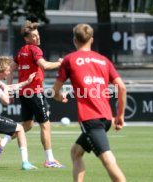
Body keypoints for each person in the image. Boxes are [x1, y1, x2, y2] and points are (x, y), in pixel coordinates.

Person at [53, 23, 126, 182]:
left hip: (90, 119)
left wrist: (59, 97)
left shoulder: (70, 59)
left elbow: (55, 90)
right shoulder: (103, 60)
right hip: (106, 117)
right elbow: (122, 87)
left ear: (74, 40)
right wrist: (120, 115)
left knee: (107, 159)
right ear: (91, 40)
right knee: (76, 152)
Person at [0, 20, 65, 168]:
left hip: (24, 92)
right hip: (34, 91)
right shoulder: (35, 50)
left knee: (27, 125)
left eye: (38, 35)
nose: (37, 38)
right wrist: (60, 63)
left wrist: (9, 88)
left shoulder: (22, 51)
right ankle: (50, 160)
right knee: (45, 125)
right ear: (27, 38)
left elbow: (10, 68)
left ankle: (1, 144)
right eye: (34, 36)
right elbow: (45, 65)